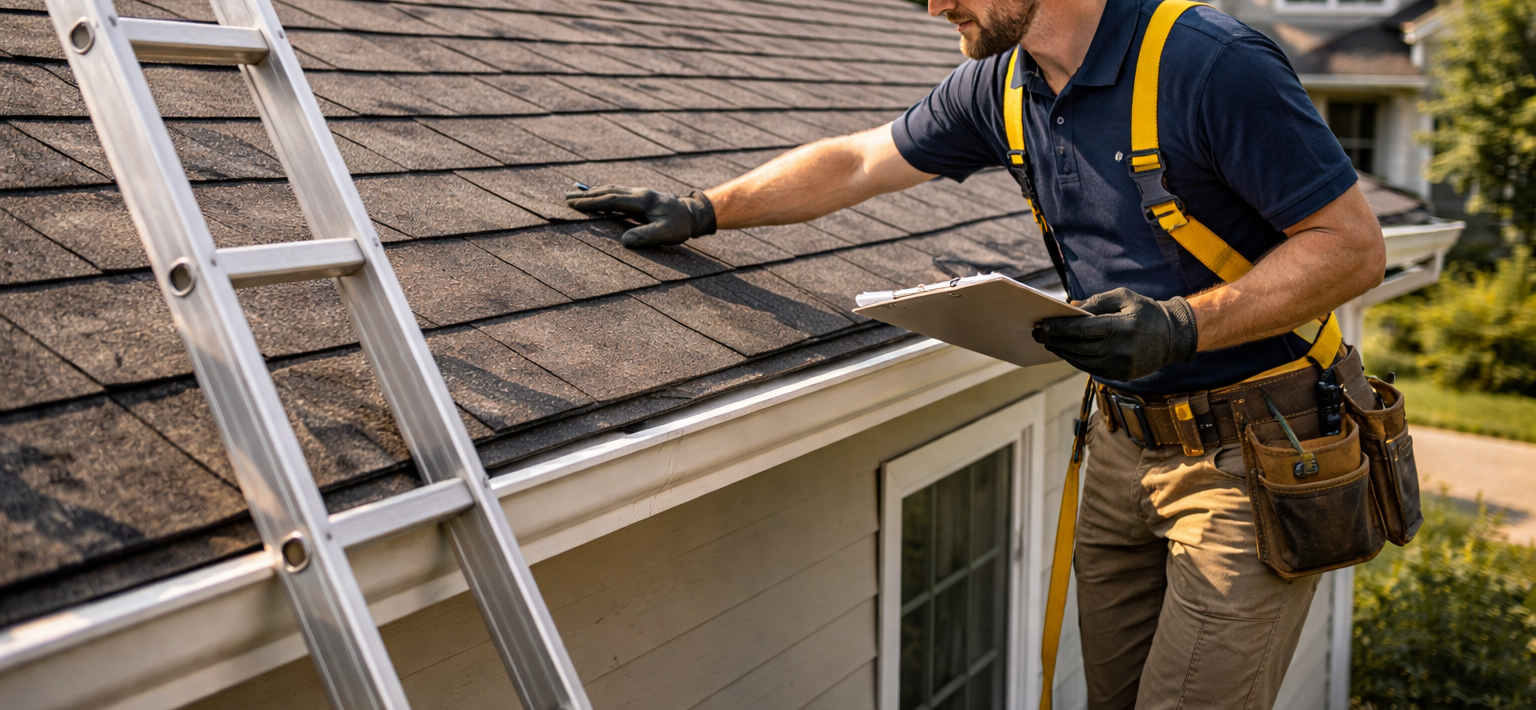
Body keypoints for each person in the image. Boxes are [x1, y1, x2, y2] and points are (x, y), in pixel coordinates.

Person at [565, 0, 1386, 707]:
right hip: (1121, 442)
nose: (932, 7)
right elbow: (859, 161)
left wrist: (1181, 325)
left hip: (1258, 450)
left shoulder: (1211, 66)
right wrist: (705, 208)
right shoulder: (1002, 84)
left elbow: (1351, 248)